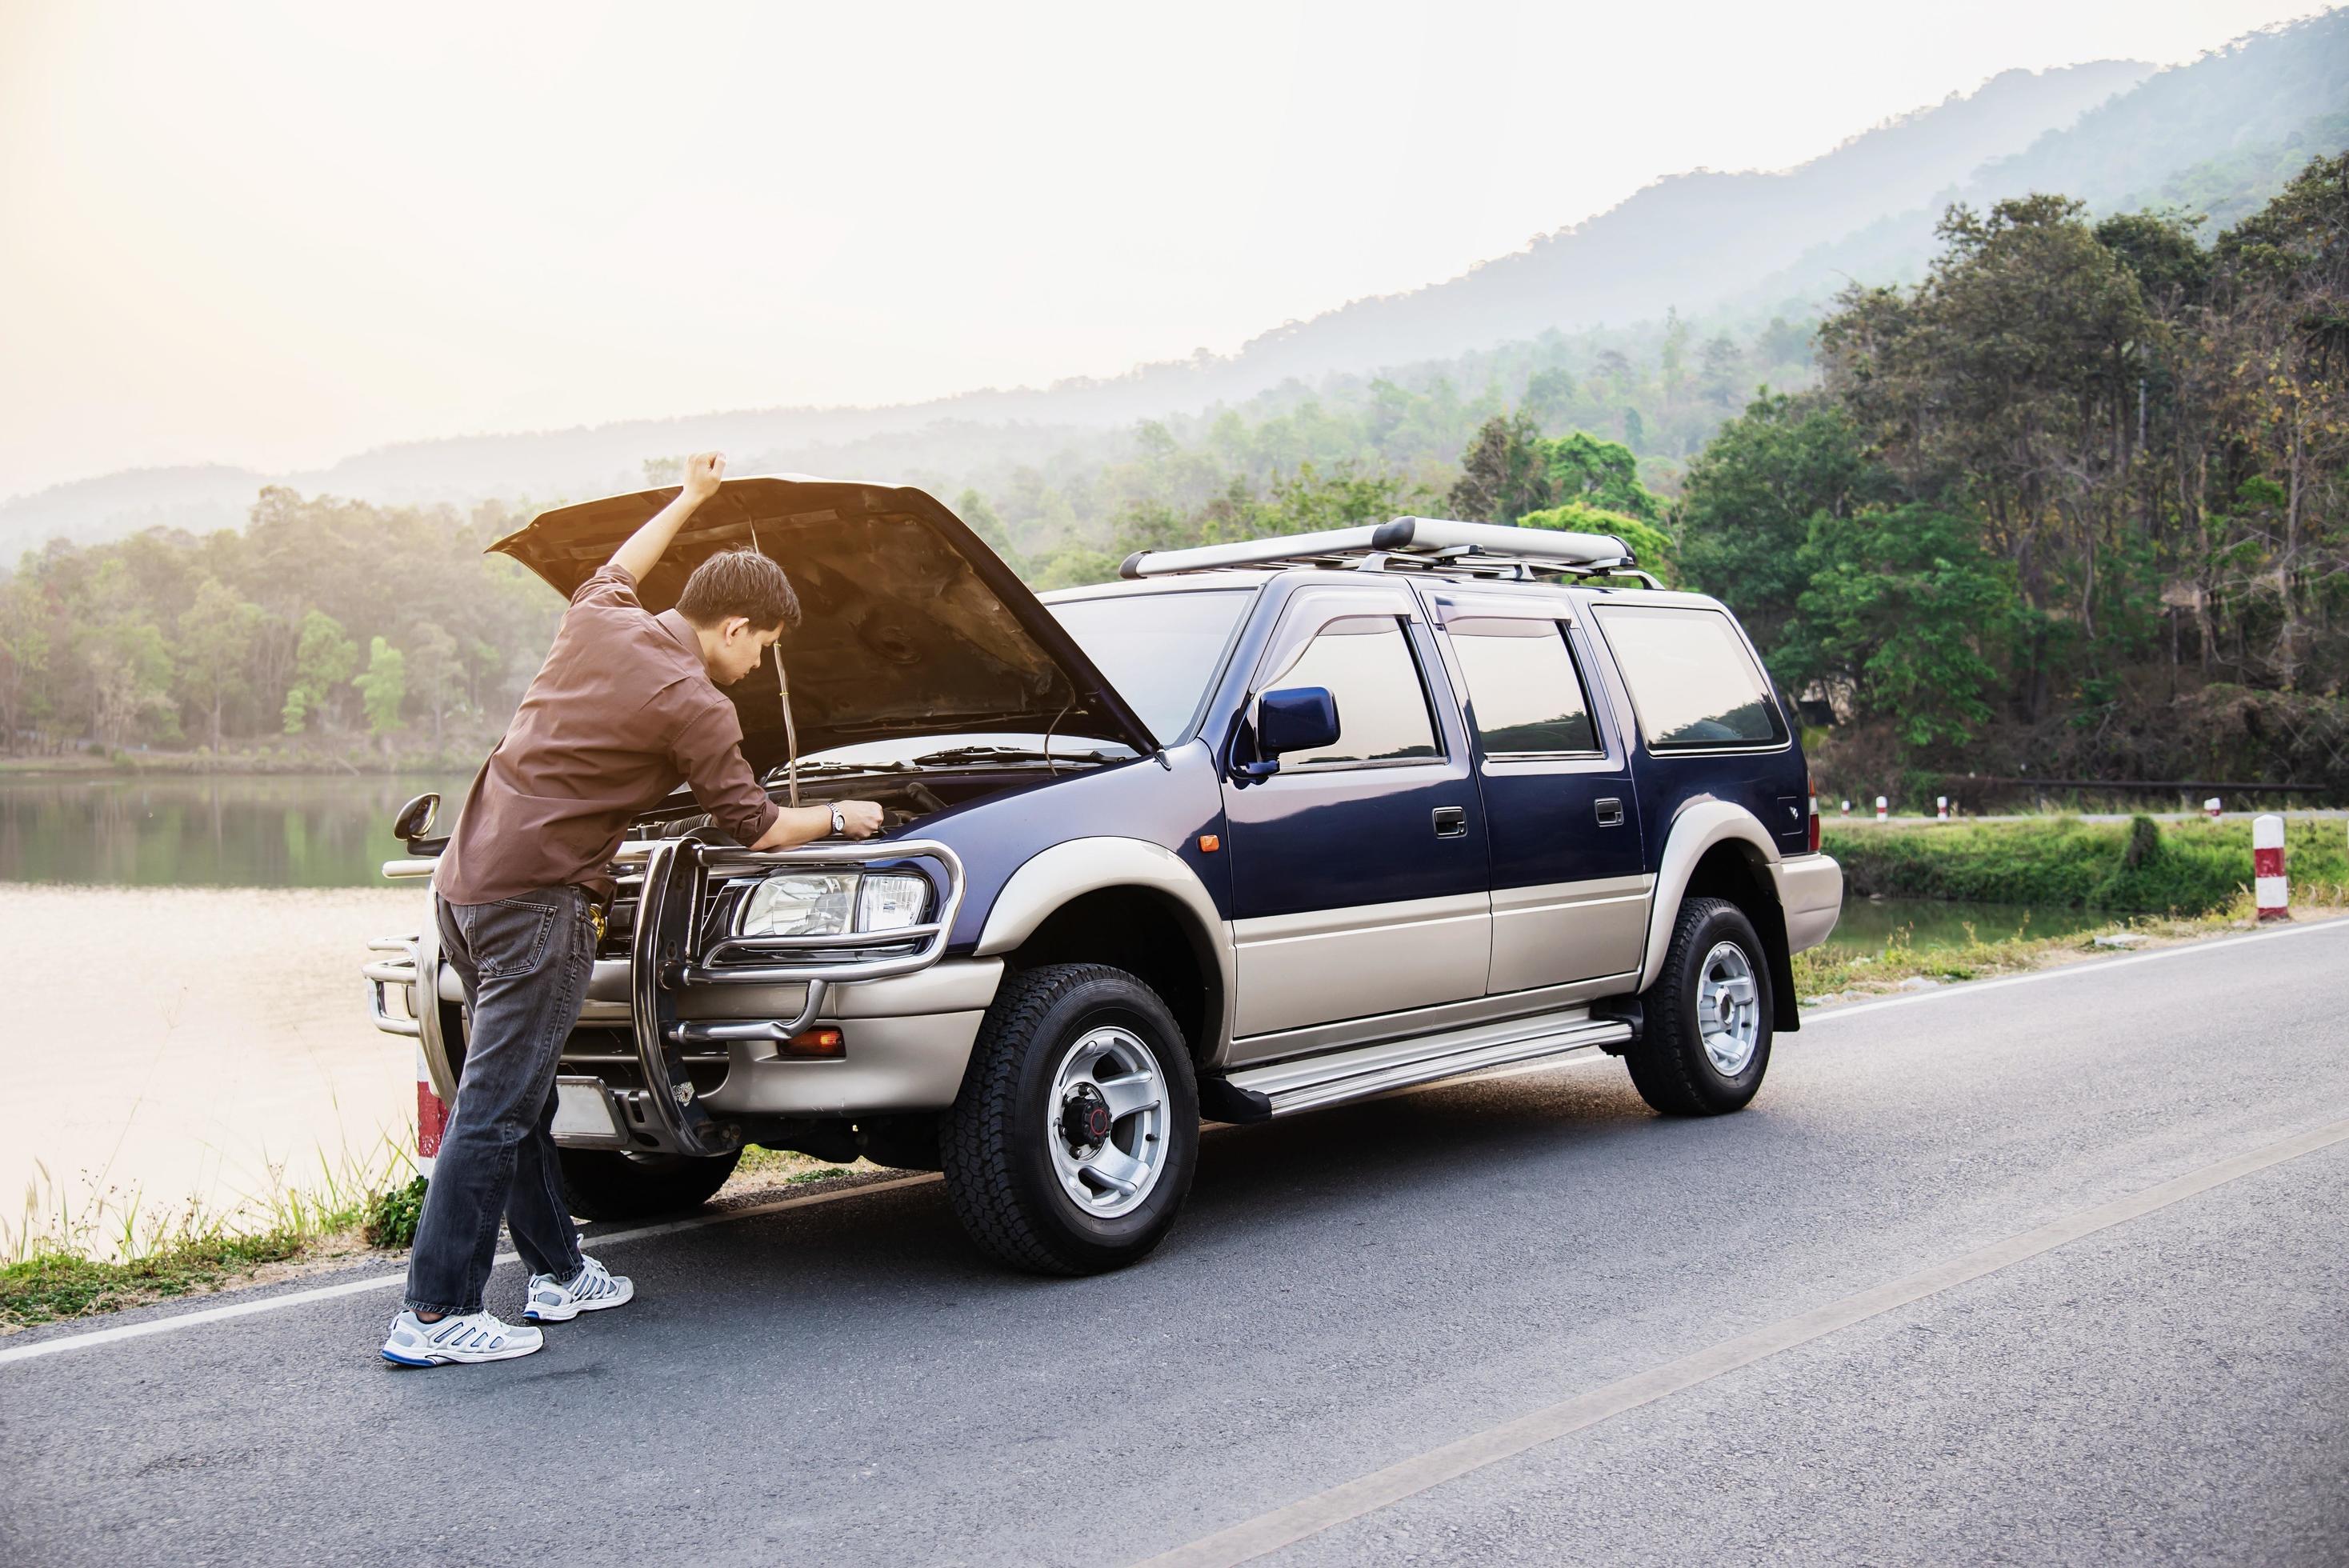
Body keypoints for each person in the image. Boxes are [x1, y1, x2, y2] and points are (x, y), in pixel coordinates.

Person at [380, 450, 883, 1366]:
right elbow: (756, 825)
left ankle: (560, 1273)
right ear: (734, 625)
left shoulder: (598, 618)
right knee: (495, 1108)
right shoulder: (695, 702)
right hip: (536, 906)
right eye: (762, 647)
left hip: (461, 885)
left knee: (518, 1098)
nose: (757, 664)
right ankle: (433, 1311)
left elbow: (622, 564)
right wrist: (842, 814)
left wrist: (690, 497)